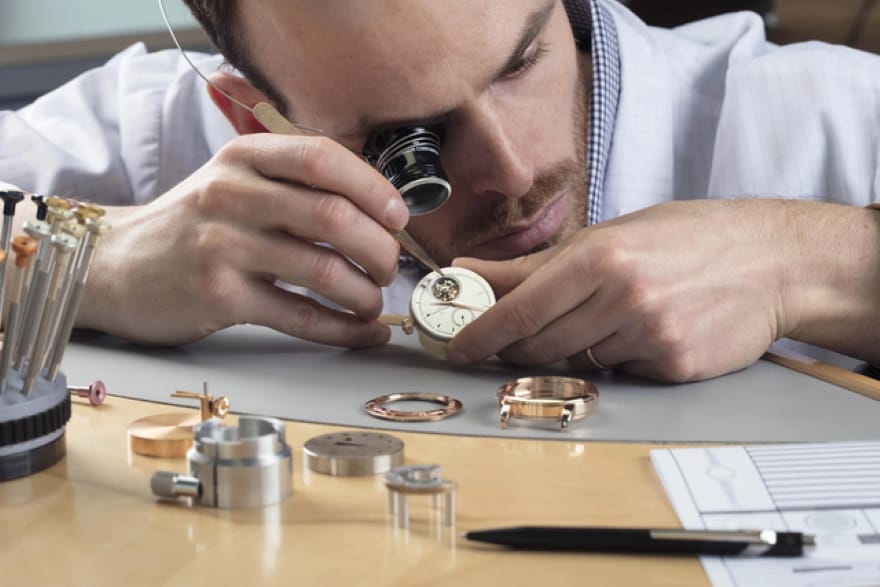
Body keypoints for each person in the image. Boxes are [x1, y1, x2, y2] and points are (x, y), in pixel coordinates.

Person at [0, 0, 879, 382]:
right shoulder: (166, 136)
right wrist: (90, 256)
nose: (512, 171)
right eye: (402, 140)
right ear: (253, 119)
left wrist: (815, 261)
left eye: (522, 62)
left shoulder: (816, 115)